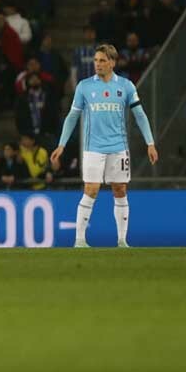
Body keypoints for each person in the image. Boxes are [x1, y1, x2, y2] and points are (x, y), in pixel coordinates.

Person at [50, 45, 159, 248]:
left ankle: (122, 240)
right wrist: (61, 144)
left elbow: (140, 115)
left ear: (112, 63)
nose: (97, 64)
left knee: (120, 189)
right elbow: (72, 116)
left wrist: (150, 143)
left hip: (118, 148)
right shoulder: (84, 86)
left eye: (102, 61)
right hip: (93, 148)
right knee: (91, 189)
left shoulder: (126, 86)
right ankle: (80, 240)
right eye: (96, 61)